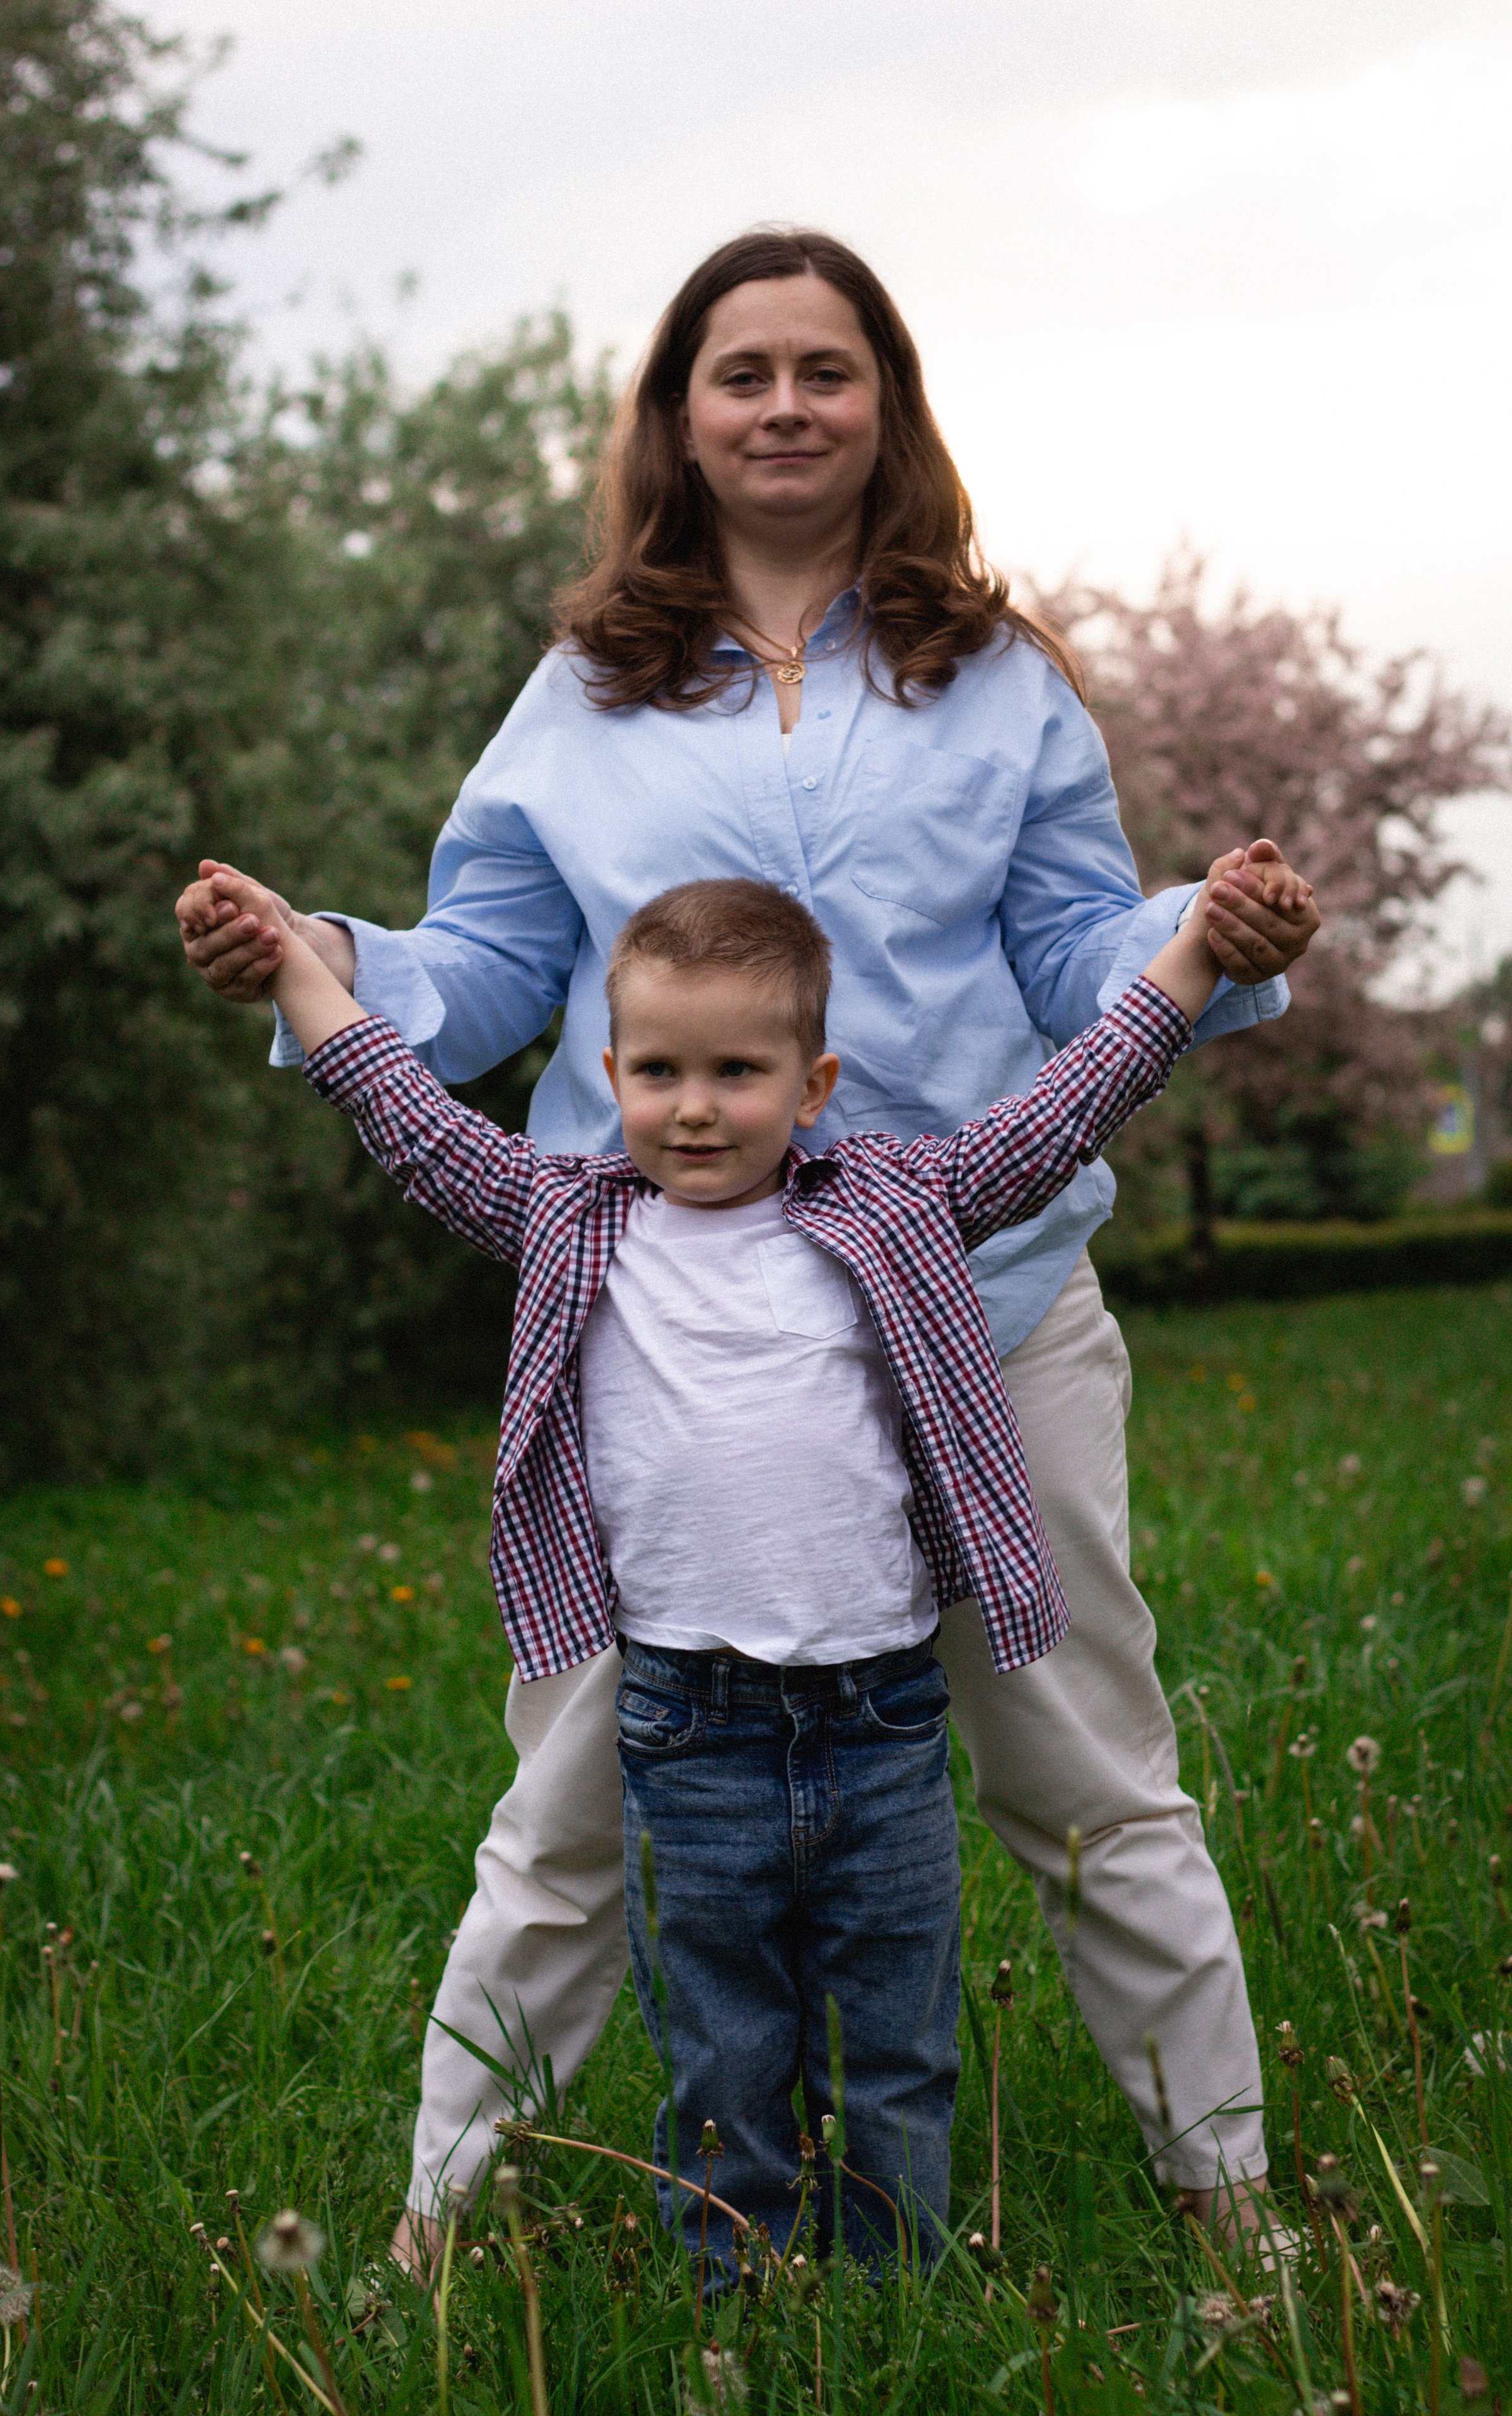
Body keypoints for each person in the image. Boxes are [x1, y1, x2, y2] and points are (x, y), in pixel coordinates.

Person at [176, 226, 1322, 2256]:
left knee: (1087, 1776)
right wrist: (320, 961)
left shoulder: (999, 680)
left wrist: (1194, 942)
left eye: (825, 370)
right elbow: (497, 963)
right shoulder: (581, 697)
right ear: (678, 421)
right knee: (573, 1815)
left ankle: (1231, 2206)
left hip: (987, 1305)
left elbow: (1074, 955)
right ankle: (437, 2232)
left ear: (885, 404)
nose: (785, 406)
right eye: (743, 374)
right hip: (662, 1341)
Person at [240, 851, 1302, 2264]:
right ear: (612, 1074)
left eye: (738, 1072)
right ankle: (734, 2299)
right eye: (659, 1072)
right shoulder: (571, 1221)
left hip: (880, 1720)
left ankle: (891, 2293)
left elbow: (1066, 1110)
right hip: (687, 1725)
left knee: (897, 2043)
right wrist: (293, 965)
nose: (693, 1109)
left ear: (812, 1087)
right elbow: (412, 1125)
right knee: (721, 2049)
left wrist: (1192, 960)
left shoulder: (896, 1203)